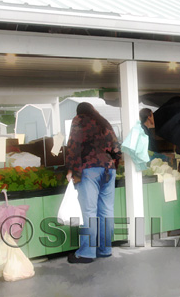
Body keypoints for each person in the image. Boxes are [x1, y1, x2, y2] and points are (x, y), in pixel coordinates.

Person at [65, 102, 122, 264]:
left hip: (89, 168)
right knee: (106, 211)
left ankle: (87, 253)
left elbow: (73, 146)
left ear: (79, 112)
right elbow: (116, 148)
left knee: (89, 212)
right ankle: (105, 249)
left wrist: (71, 169)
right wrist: (113, 165)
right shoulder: (103, 121)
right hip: (108, 169)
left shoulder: (79, 120)